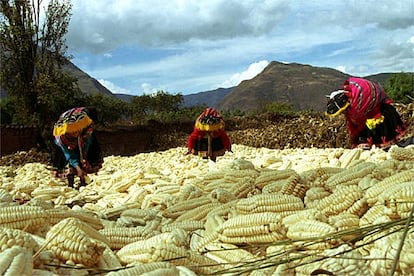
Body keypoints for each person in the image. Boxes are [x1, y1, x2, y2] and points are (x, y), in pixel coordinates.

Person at [325, 77, 407, 149]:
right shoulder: (351, 111)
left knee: (389, 139)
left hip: (382, 115)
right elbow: (355, 124)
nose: (343, 113)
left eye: (343, 110)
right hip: (368, 122)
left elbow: (359, 119)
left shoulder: (359, 103)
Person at [52, 107, 103, 188]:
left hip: (82, 123)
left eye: (77, 131)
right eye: (72, 133)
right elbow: (69, 154)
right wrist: (77, 167)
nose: (75, 133)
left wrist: (84, 159)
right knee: (67, 156)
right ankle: (70, 173)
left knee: (91, 151)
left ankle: (86, 173)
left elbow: (86, 143)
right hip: (67, 140)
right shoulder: (61, 138)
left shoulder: (85, 126)